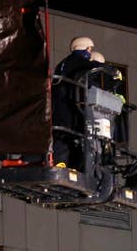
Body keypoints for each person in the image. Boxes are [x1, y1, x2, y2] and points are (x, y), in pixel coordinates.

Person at [51, 37, 118, 168]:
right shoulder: (75, 60)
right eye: (89, 49)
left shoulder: (66, 63)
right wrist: (110, 69)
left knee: (71, 135)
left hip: (65, 103)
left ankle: (73, 164)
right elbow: (90, 65)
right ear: (84, 48)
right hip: (66, 103)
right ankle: (62, 162)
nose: (89, 52)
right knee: (65, 134)